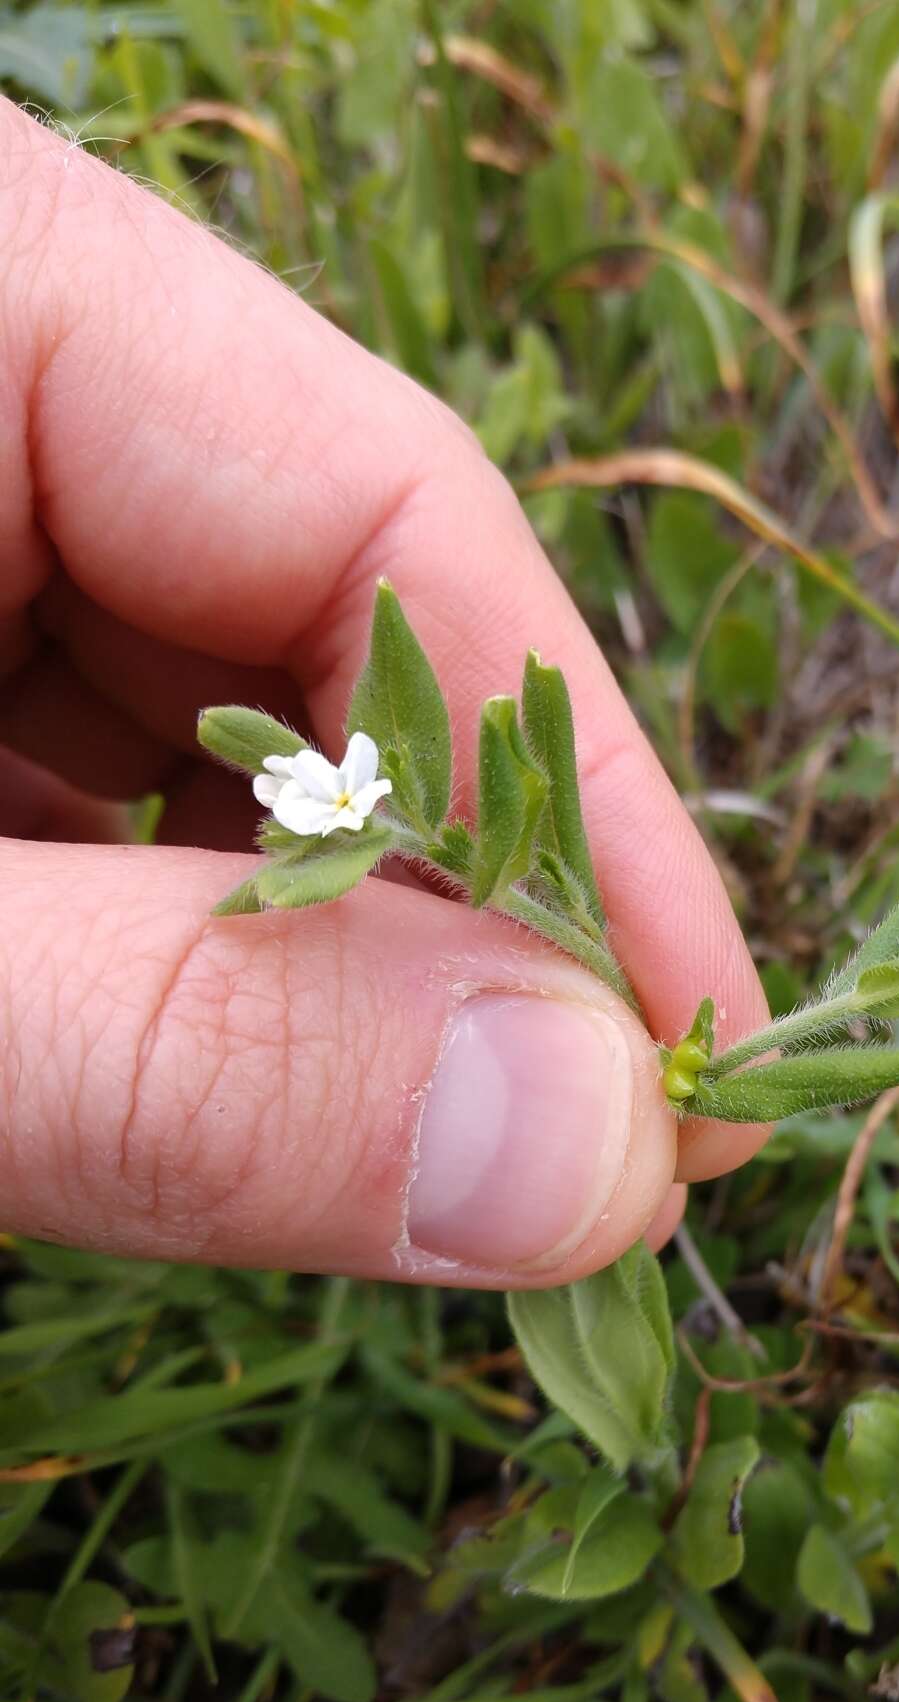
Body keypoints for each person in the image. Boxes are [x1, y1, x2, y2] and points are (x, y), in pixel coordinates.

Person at [0, 98, 768, 1288]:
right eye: (341, 804)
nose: (348, 804)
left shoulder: (366, 793)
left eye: (346, 799)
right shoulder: (349, 801)